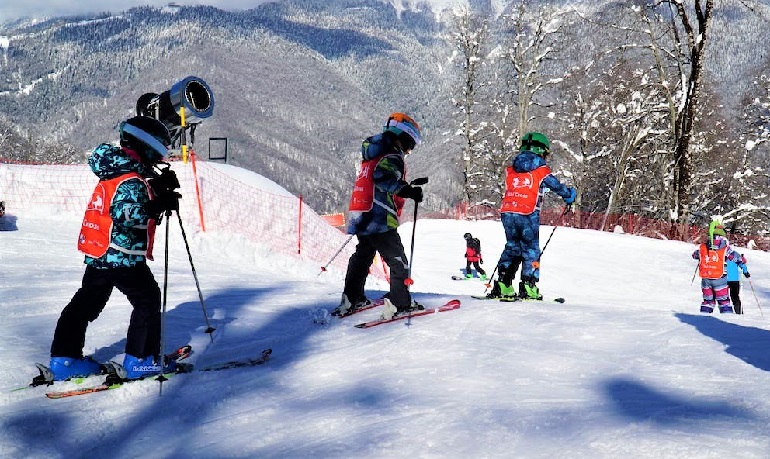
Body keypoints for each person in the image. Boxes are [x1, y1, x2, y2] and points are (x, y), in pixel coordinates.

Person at [47, 116, 182, 381]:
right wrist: (155, 206)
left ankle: (65, 359)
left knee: (86, 302)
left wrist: (154, 190)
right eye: (159, 150)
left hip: (99, 252)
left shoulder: (114, 169)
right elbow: (125, 213)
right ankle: (140, 361)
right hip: (122, 255)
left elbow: (121, 198)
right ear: (147, 146)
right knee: (147, 300)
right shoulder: (131, 178)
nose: (160, 157)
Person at [336, 113, 424, 320]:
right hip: (378, 216)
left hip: (361, 213)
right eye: (410, 144)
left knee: (363, 255)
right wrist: (408, 191)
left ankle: (352, 297)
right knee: (398, 260)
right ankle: (400, 303)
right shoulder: (392, 155)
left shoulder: (373, 153)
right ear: (404, 137)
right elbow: (383, 178)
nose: (409, 150)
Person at [489, 132, 576, 300]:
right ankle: (529, 286)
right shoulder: (541, 169)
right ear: (541, 150)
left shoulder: (512, 168)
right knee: (531, 249)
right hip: (528, 213)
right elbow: (556, 185)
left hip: (508, 211)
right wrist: (569, 194)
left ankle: (503, 284)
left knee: (513, 246)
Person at [692, 220, 749, 314]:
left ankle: (704, 319)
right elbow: (736, 258)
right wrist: (742, 260)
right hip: (720, 278)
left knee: (708, 301)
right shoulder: (724, 248)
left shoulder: (703, 247)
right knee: (724, 301)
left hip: (706, 279)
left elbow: (694, 255)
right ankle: (727, 322)